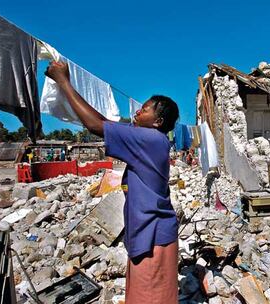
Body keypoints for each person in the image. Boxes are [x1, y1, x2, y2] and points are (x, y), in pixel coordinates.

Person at [45, 61, 179, 304]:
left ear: (158, 122)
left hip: (153, 237)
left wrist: (63, 81)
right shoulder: (151, 139)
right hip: (150, 233)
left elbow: (96, 126)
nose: (138, 111)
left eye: (146, 109)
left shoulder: (148, 139)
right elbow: (103, 122)